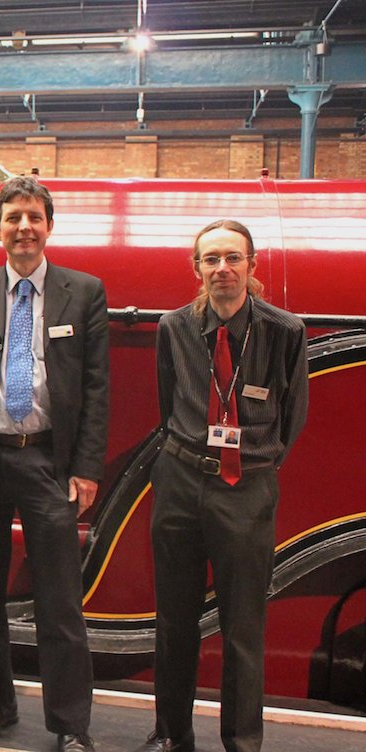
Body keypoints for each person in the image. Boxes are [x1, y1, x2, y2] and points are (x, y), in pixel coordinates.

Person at [0, 176, 108, 752]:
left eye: (34, 217)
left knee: (59, 602)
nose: (24, 228)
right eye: (13, 218)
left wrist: (85, 467)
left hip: (47, 464)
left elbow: (97, 388)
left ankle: (70, 725)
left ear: (49, 225)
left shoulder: (84, 292)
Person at [136, 220, 307, 752]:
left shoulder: (284, 330)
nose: (222, 269)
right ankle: (171, 735)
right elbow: (169, 406)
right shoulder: (174, 327)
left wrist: (254, 461)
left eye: (233, 258)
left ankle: (241, 743)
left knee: (242, 629)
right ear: (197, 269)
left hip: (247, 490)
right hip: (181, 481)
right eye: (211, 260)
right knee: (174, 621)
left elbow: (293, 416)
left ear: (252, 267)